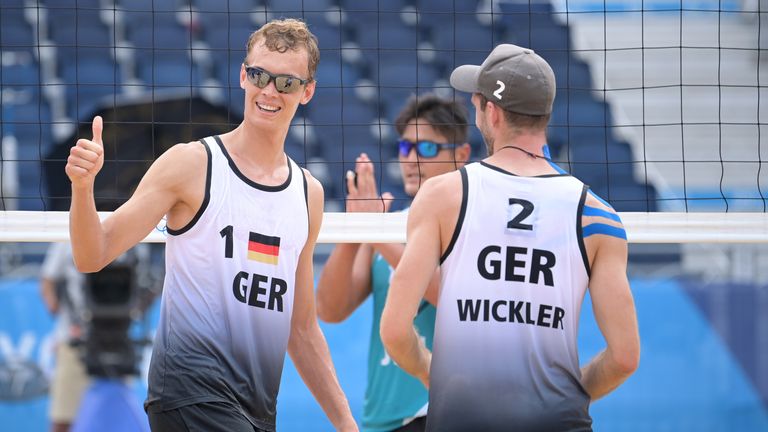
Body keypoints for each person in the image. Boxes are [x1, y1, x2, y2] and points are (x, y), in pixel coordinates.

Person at [65, 18, 357, 432]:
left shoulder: (308, 193)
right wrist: (82, 188)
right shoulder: (192, 164)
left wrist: (347, 424)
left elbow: (302, 328)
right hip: (188, 391)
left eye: (286, 83)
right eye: (259, 75)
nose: (269, 91)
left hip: (257, 407)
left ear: (306, 91)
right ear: (243, 76)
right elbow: (92, 254)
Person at [380, 44, 641, 431]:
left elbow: (394, 329)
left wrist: (428, 371)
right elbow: (624, 356)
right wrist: (569, 395)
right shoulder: (598, 215)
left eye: (477, 100)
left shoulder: (443, 196)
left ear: (493, 112)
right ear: (544, 114)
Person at [316, 94, 471, 432]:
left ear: (461, 155)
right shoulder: (388, 226)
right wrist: (358, 228)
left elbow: (450, 296)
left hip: (443, 411)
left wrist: (375, 232)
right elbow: (329, 309)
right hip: (383, 419)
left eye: (426, 148)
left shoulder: (471, 223)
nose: (411, 159)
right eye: (405, 147)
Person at [41, 242, 89, 432]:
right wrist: (63, 315)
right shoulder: (65, 239)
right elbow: (47, 280)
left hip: (114, 340)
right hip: (72, 340)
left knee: (115, 419)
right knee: (63, 419)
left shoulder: (126, 233)